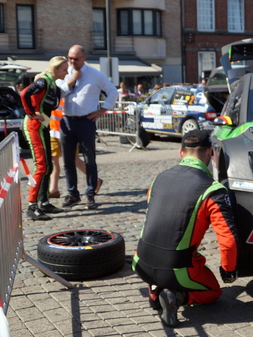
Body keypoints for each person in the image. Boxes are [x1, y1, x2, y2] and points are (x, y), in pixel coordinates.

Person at [132, 129, 238, 327]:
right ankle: (177, 296)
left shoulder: (158, 179)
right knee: (213, 292)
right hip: (176, 269)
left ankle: (155, 290)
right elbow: (228, 240)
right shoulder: (213, 190)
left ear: (181, 153)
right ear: (210, 154)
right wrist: (228, 271)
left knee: (177, 258)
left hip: (140, 263)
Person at [57, 45, 117, 210]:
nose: (72, 61)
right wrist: (72, 79)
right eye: (70, 58)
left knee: (90, 159)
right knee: (68, 160)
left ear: (84, 58)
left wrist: (103, 110)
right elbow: (59, 94)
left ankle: (90, 193)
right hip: (67, 120)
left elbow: (112, 91)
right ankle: (72, 194)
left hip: (86, 121)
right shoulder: (64, 72)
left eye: (76, 59)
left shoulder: (95, 75)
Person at [20, 56, 69, 220]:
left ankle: (44, 202)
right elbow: (24, 94)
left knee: (47, 165)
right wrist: (31, 113)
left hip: (42, 126)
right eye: (64, 69)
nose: (67, 72)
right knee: (41, 166)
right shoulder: (43, 81)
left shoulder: (52, 83)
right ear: (55, 69)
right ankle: (32, 205)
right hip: (34, 127)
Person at [48, 100, 103, 199]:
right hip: (54, 130)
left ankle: (96, 181)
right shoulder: (54, 93)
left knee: (74, 159)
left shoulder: (68, 94)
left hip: (67, 131)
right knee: (53, 159)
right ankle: (53, 189)